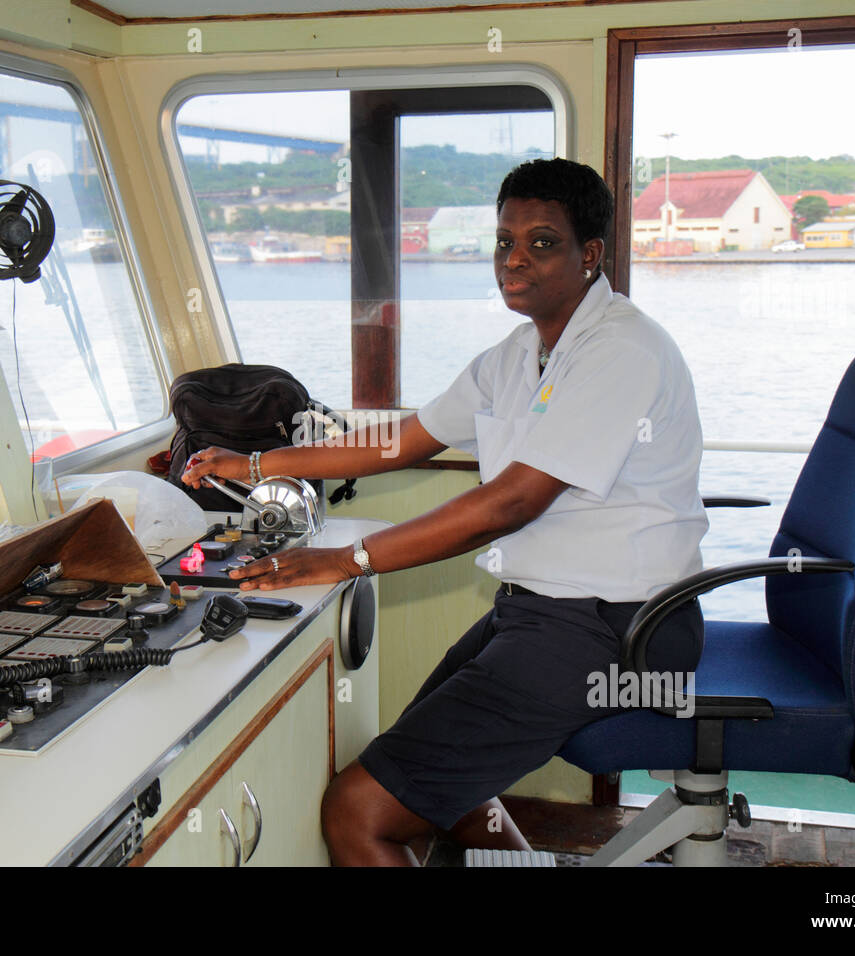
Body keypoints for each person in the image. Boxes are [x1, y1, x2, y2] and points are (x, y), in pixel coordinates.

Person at [182, 158, 708, 866]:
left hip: (619, 628)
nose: (514, 259)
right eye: (503, 241)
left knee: (358, 811)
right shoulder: (522, 352)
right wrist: (253, 463)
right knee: (435, 772)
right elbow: (399, 439)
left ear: (590, 256)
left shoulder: (620, 350)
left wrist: (347, 560)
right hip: (543, 609)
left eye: (542, 242)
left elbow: (511, 504)